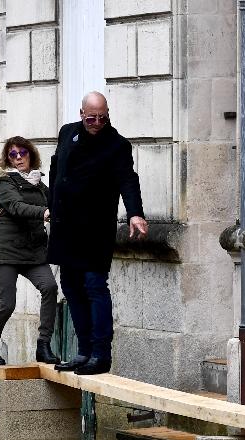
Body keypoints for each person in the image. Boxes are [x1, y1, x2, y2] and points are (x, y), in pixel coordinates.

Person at [47, 92, 149, 376]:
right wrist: (49, 206)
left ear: (107, 113)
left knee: (94, 285)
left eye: (101, 117)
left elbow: (128, 180)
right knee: (70, 285)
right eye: (91, 117)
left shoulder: (116, 145)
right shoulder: (67, 133)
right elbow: (57, 169)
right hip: (66, 226)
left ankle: (101, 354)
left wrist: (135, 214)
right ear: (81, 113)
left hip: (94, 228)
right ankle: (84, 351)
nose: (96, 122)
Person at [0, 136, 61, 366]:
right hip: (5, 249)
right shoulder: (3, 181)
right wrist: (44, 213)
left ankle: (43, 346)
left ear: (31, 155)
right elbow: (15, 206)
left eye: (22, 153)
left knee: (49, 287)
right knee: (7, 303)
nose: (18, 158)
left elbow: (56, 201)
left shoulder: (39, 183)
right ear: (8, 159)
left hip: (33, 249)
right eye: (12, 155)